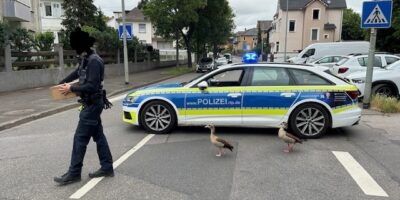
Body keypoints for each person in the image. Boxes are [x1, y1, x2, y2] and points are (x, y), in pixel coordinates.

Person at [54, 28, 114, 185]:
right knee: (99, 136)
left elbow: (91, 86)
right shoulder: (86, 59)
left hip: (92, 104)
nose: (75, 50)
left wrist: (71, 89)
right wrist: (61, 84)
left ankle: (74, 173)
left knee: (79, 138)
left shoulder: (94, 61)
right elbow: (77, 73)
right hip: (91, 103)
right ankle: (107, 167)